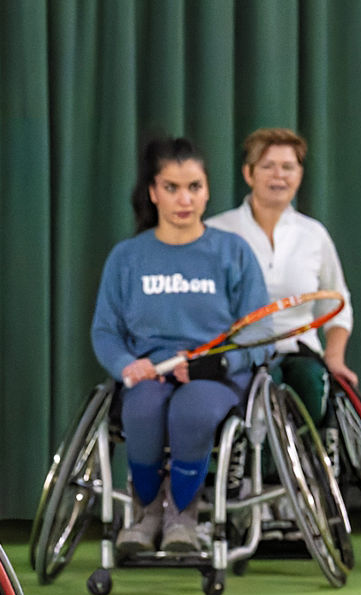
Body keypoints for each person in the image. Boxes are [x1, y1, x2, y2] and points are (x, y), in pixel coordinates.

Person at [91, 137, 272, 555]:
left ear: (207, 190)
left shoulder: (233, 252)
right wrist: (125, 366)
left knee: (192, 409)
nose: (183, 199)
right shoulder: (127, 257)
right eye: (171, 188)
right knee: (143, 406)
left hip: (214, 375)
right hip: (150, 373)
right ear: (153, 192)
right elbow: (105, 331)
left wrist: (217, 365)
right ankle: (147, 514)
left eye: (194, 186)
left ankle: (183, 518)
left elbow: (259, 334)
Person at [206, 127, 355, 421]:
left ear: (299, 175)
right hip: (237, 352)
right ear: (249, 174)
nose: (279, 175)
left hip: (298, 353)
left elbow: (337, 304)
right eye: (268, 166)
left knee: (312, 387)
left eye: (288, 167)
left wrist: (334, 358)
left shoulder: (314, 235)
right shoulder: (217, 232)